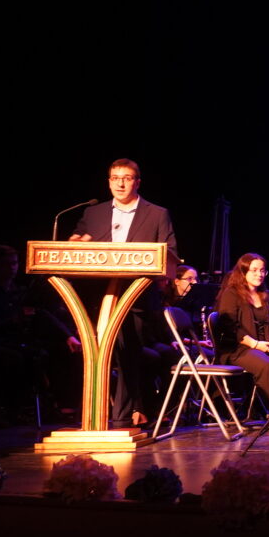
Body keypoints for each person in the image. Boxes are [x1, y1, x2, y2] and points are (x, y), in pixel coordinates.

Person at [69, 158, 178, 428]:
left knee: (128, 351)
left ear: (137, 182)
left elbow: (170, 253)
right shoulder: (93, 213)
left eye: (127, 177)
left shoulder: (157, 214)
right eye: (115, 177)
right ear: (108, 181)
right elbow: (77, 241)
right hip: (99, 297)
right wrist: (76, 243)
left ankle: (121, 415)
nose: (120, 182)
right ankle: (113, 410)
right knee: (108, 353)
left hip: (137, 297)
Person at [213, 253, 269, 422]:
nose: (259, 274)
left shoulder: (264, 295)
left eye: (262, 270)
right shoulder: (231, 294)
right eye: (254, 270)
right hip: (239, 349)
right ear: (243, 272)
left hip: (263, 347)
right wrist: (255, 344)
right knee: (266, 365)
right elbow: (230, 327)